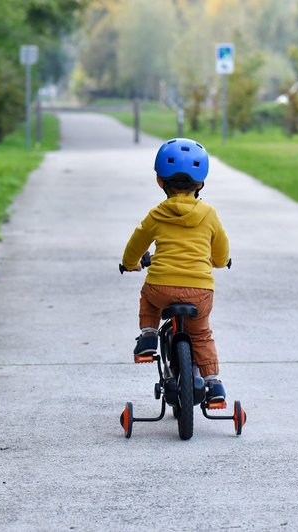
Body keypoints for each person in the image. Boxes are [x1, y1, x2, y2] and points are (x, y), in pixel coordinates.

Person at [120, 138, 230, 402]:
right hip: (199, 291)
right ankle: (214, 386)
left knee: (148, 297)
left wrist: (130, 263)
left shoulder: (156, 214)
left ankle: (148, 335)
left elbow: (136, 244)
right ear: (201, 183)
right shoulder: (209, 214)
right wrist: (220, 261)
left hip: (162, 288)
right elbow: (221, 249)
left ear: (159, 181)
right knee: (201, 334)